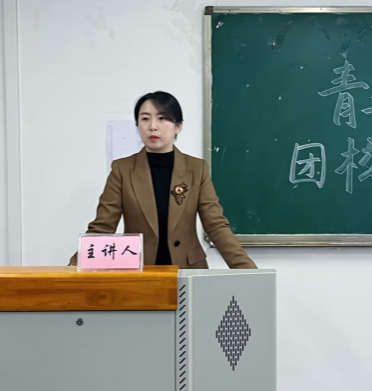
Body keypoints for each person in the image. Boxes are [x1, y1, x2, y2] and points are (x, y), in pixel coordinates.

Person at [69, 91, 256, 270]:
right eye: (145, 119)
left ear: (178, 126)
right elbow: (102, 227)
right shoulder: (122, 170)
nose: (153, 126)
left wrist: (248, 270)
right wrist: (71, 268)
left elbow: (215, 225)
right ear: (137, 125)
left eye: (162, 118)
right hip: (142, 272)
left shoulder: (196, 169)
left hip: (189, 270)